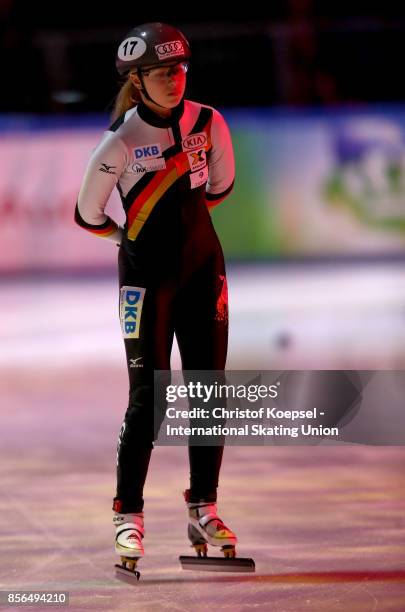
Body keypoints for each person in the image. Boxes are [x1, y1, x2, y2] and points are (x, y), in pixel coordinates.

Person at [74, 22, 237, 571]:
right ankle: (128, 516)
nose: (175, 79)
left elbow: (219, 188)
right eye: (162, 73)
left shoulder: (209, 122)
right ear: (138, 81)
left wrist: (181, 241)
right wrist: (132, 241)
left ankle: (204, 506)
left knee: (209, 395)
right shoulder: (117, 142)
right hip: (146, 284)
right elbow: (87, 214)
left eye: (180, 69)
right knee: (149, 399)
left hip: (203, 271)